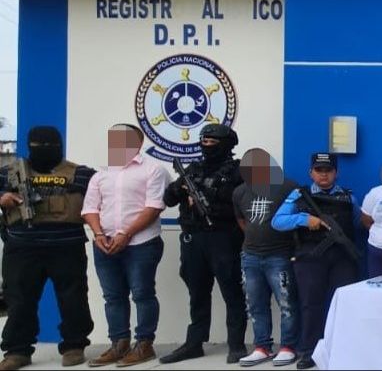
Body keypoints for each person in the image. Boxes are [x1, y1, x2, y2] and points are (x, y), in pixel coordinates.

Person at [0, 126, 96, 370]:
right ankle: (17, 350)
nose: (44, 151)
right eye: (38, 147)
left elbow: (105, 197)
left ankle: (74, 346)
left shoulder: (81, 174)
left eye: (49, 146)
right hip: (21, 248)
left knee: (73, 298)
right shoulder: (8, 174)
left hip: (67, 247)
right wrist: (2, 198)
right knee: (19, 300)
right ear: (29, 147)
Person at [81, 124, 168, 367]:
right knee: (113, 296)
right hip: (104, 244)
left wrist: (126, 234)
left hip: (141, 243)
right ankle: (119, 344)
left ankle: (144, 344)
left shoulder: (153, 170)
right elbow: (89, 208)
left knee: (142, 294)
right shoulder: (101, 174)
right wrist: (98, 233)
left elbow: (153, 207)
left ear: (137, 143)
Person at [159, 124, 247, 365]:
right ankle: (194, 343)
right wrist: (180, 188)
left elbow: (244, 207)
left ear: (227, 144)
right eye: (204, 142)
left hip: (224, 238)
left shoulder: (238, 171)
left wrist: (211, 204)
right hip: (193, 238)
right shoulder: (193, 169)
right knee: (197, 292)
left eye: (212, 142)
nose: (207, 146)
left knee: (232, 292)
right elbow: (168, 199)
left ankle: (236, 344)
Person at [272, 152, 360, 370]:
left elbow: (359, 222)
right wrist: (304, 219)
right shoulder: (299, 195)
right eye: (319, 170)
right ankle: (309, 351)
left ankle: (343, 349)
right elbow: (278, 221)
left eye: (328, 170)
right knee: (311, 304)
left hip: (342, 257)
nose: (324, 175)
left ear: (336, 173)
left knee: (343, 304)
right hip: (310, 256)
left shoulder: (348, 197)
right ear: (311, 172)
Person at [233, 149, 300, 367]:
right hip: (250, 256)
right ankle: (262, 346)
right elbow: (242, 221)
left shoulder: (288, 186)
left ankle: (288, 346)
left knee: (287, 303)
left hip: (279, 255)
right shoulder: (240, 191)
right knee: (255, 304)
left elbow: (294, 219)